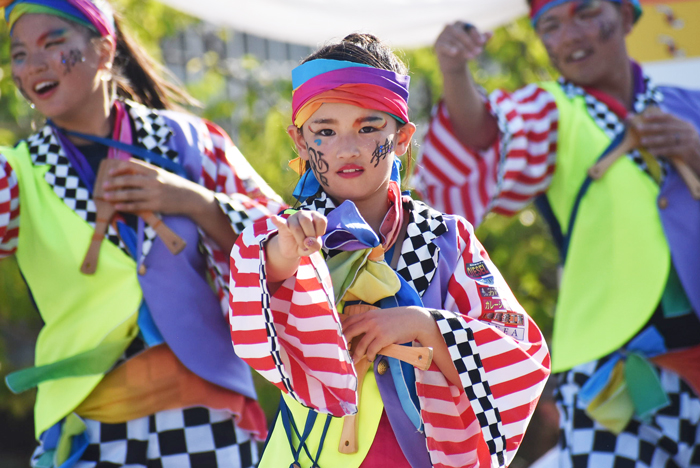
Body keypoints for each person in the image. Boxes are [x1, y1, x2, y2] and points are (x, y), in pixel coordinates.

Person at [228, 33, 550, 468]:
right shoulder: (287, 235)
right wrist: (288, 251)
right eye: (325, 131)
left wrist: (423, 325)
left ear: (401, 138)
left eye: (368, 127)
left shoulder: (446, 239)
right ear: (301, 143)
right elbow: (259, 292)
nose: (348, 147)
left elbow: (521, 357)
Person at [414, 0, 700, 466]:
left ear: (626, 17)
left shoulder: (689, 106)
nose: (568, 35)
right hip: (613, 375)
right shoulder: (552, 110)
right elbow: (485, 133)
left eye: (585, 13)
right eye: (550, 25)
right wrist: (454, 71)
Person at [0, 1, 285, 466]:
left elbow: (290, 241)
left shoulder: (192, 142)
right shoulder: (17, 174)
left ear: (104, 50)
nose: (33, 65)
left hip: (206, 414)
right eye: (18, 54)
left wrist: (195, 200)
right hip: (89, 425)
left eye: (53, 45)